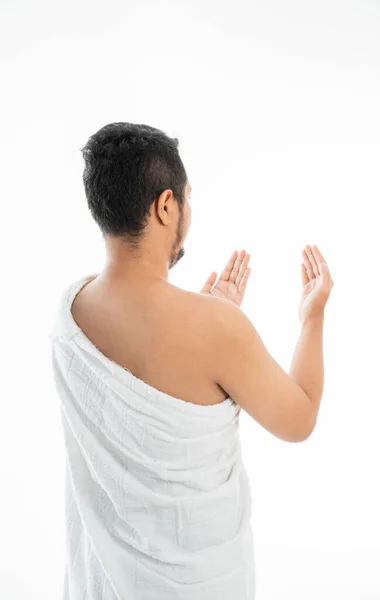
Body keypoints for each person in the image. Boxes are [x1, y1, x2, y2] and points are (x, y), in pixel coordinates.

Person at [49, 122, 334, 600]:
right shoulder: (218, 329)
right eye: (186, 198)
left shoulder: (70, 309)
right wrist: (312, 317)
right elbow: (299, 418)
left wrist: (207, 321)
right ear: (165, 206)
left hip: (103, 585)